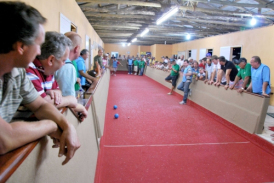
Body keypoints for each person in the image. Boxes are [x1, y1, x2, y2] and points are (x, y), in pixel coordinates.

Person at [0, 2, 80, 164]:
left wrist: (67, 126)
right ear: (21, 46)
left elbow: (40, 105)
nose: (39, 52)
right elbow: (4, 139)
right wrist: (51, 126)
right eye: (38, 44)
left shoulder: (18, 72)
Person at [26, 32, 77, 108]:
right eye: (63, 61)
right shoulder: (29, 70)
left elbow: (58, 91)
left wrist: (56, 93)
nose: (64, 64)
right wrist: (70, 100)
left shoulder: (48, 71)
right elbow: (42, 103)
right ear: (51, 60)